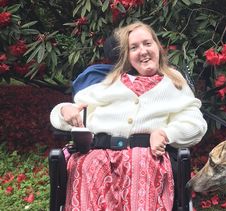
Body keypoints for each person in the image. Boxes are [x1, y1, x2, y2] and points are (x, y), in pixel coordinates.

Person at [50, 21, 207, 210]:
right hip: (98, 158)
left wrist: (166, 133)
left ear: (158, 46)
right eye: (134, 47)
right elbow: (66, 113)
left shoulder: (173, 82)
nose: (143, 51)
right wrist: (64, 111)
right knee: (89, 166)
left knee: (141, 166)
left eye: (147, 44)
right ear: (128, 56)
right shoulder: (110, 83)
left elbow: (196, 124)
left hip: (145, 161)